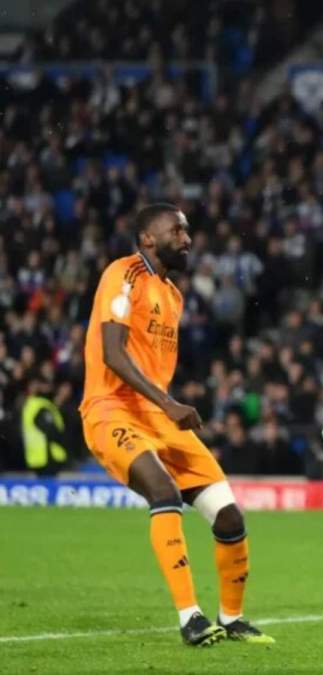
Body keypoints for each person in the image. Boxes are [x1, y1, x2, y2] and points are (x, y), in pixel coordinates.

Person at [80, 204, 272, 646]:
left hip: (158, 416)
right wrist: (169, 403)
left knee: (228, 516)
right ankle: (190, 618)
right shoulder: (123, 275)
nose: (187, 238)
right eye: (177, 230)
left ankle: (233, 619)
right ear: (147, 238)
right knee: (163, 492)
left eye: (188, 231)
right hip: (111, 409)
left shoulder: (174, 295)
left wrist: (165, 407)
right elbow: (112, 353)